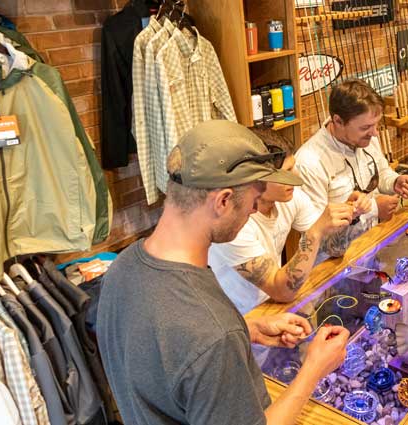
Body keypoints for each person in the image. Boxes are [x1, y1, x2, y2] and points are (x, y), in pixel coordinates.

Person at [96, 120, 350, 425]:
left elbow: (163, 354)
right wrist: (314, 370)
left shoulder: (121, 269)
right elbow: (203, 341)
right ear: (223, 201)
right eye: (253, 201)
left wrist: (248, 329)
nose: (255, 211)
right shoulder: (214, 335)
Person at [208, 130, 355, 314]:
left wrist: (347, 216)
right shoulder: (233, 223)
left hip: (274, 307)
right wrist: (315, 232)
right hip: (243, 321)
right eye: (287, 172)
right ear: (257, 179)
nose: (297, 178)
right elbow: (282, 291)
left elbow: (334, 250)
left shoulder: (290, 198)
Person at [294, 79, 408, 258]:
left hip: (371, 246)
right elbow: (316, 235)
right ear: (338, 120)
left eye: (376, 124)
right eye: (366, 127)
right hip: (333, 267)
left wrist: (394, 181)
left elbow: (381, 171)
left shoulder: (367, 138)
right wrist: (374, 209)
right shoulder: (309, 163)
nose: (375, 133)